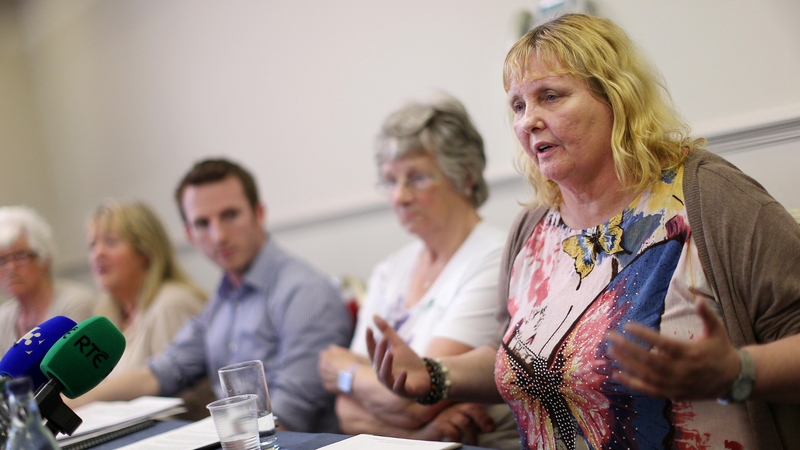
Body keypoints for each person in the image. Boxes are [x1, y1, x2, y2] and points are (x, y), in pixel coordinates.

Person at [369, 13, 800, 450]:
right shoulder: (532, 228)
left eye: (550, 96)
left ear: (617, 97)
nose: (527, 121)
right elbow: (515, 361)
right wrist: (435, 374)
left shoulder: (710, 197)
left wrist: (737, 372)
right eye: (518, 105)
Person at [73, 159, 352, 433]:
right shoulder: (224, 297)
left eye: (230, 215)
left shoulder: (304, 292)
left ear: (259, 213)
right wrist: (68, 401)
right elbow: (163, 371)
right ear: (189, 234)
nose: (218, 236)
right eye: (202, 223)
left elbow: (289, 416)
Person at [317, 94, 519, 448]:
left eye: (417, 178)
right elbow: (346, 413)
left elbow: (414, 398)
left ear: (466, 177)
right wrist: (422, 435)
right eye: (391, 180)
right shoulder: (390, 269)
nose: (399, 196)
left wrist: (346, 374)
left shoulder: (495, 258)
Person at [87, 199, 206, 374]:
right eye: (92, 245)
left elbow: (177, 389)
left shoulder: (171, 305)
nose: (98, 253)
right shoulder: (107, 315)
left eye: (110, 242)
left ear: (145, 251)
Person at [0, 206, 96, 354]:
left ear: (44, 259)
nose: (10, 267)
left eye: (20, 255)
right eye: (2, 260)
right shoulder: (3, 318)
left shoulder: (75, 304)